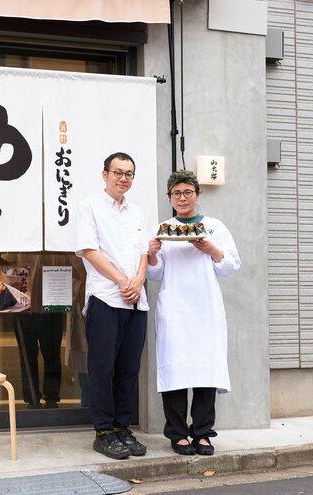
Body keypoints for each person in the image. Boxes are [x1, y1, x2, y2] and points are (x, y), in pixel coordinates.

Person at [147, 170, 241, 456]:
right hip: (175, 309)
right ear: (170, 198)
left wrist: (210, 248)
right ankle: (177, 434)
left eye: (188, 192)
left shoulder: (214, 227)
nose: (183, 198)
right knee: (175, 371)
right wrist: (152, 253)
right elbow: (156, 273)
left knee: (205, 371)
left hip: (205, 308)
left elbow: (230, 265)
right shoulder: (163, 228)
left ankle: (202, 433)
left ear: (197, 195)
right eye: (177, 193)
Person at [75, 152, 148, 460]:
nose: (123, 178)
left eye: (129, 173)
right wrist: (122, 281)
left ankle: (122, 427)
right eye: (117, 172)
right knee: (102, 367)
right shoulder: (89, 207)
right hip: (106, 297)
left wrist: (138, 281)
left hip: (136, 302)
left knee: (129, 369)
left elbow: (144, 252)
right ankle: (103, 431)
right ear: (104, 175)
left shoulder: (138, 212)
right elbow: (89, 251)